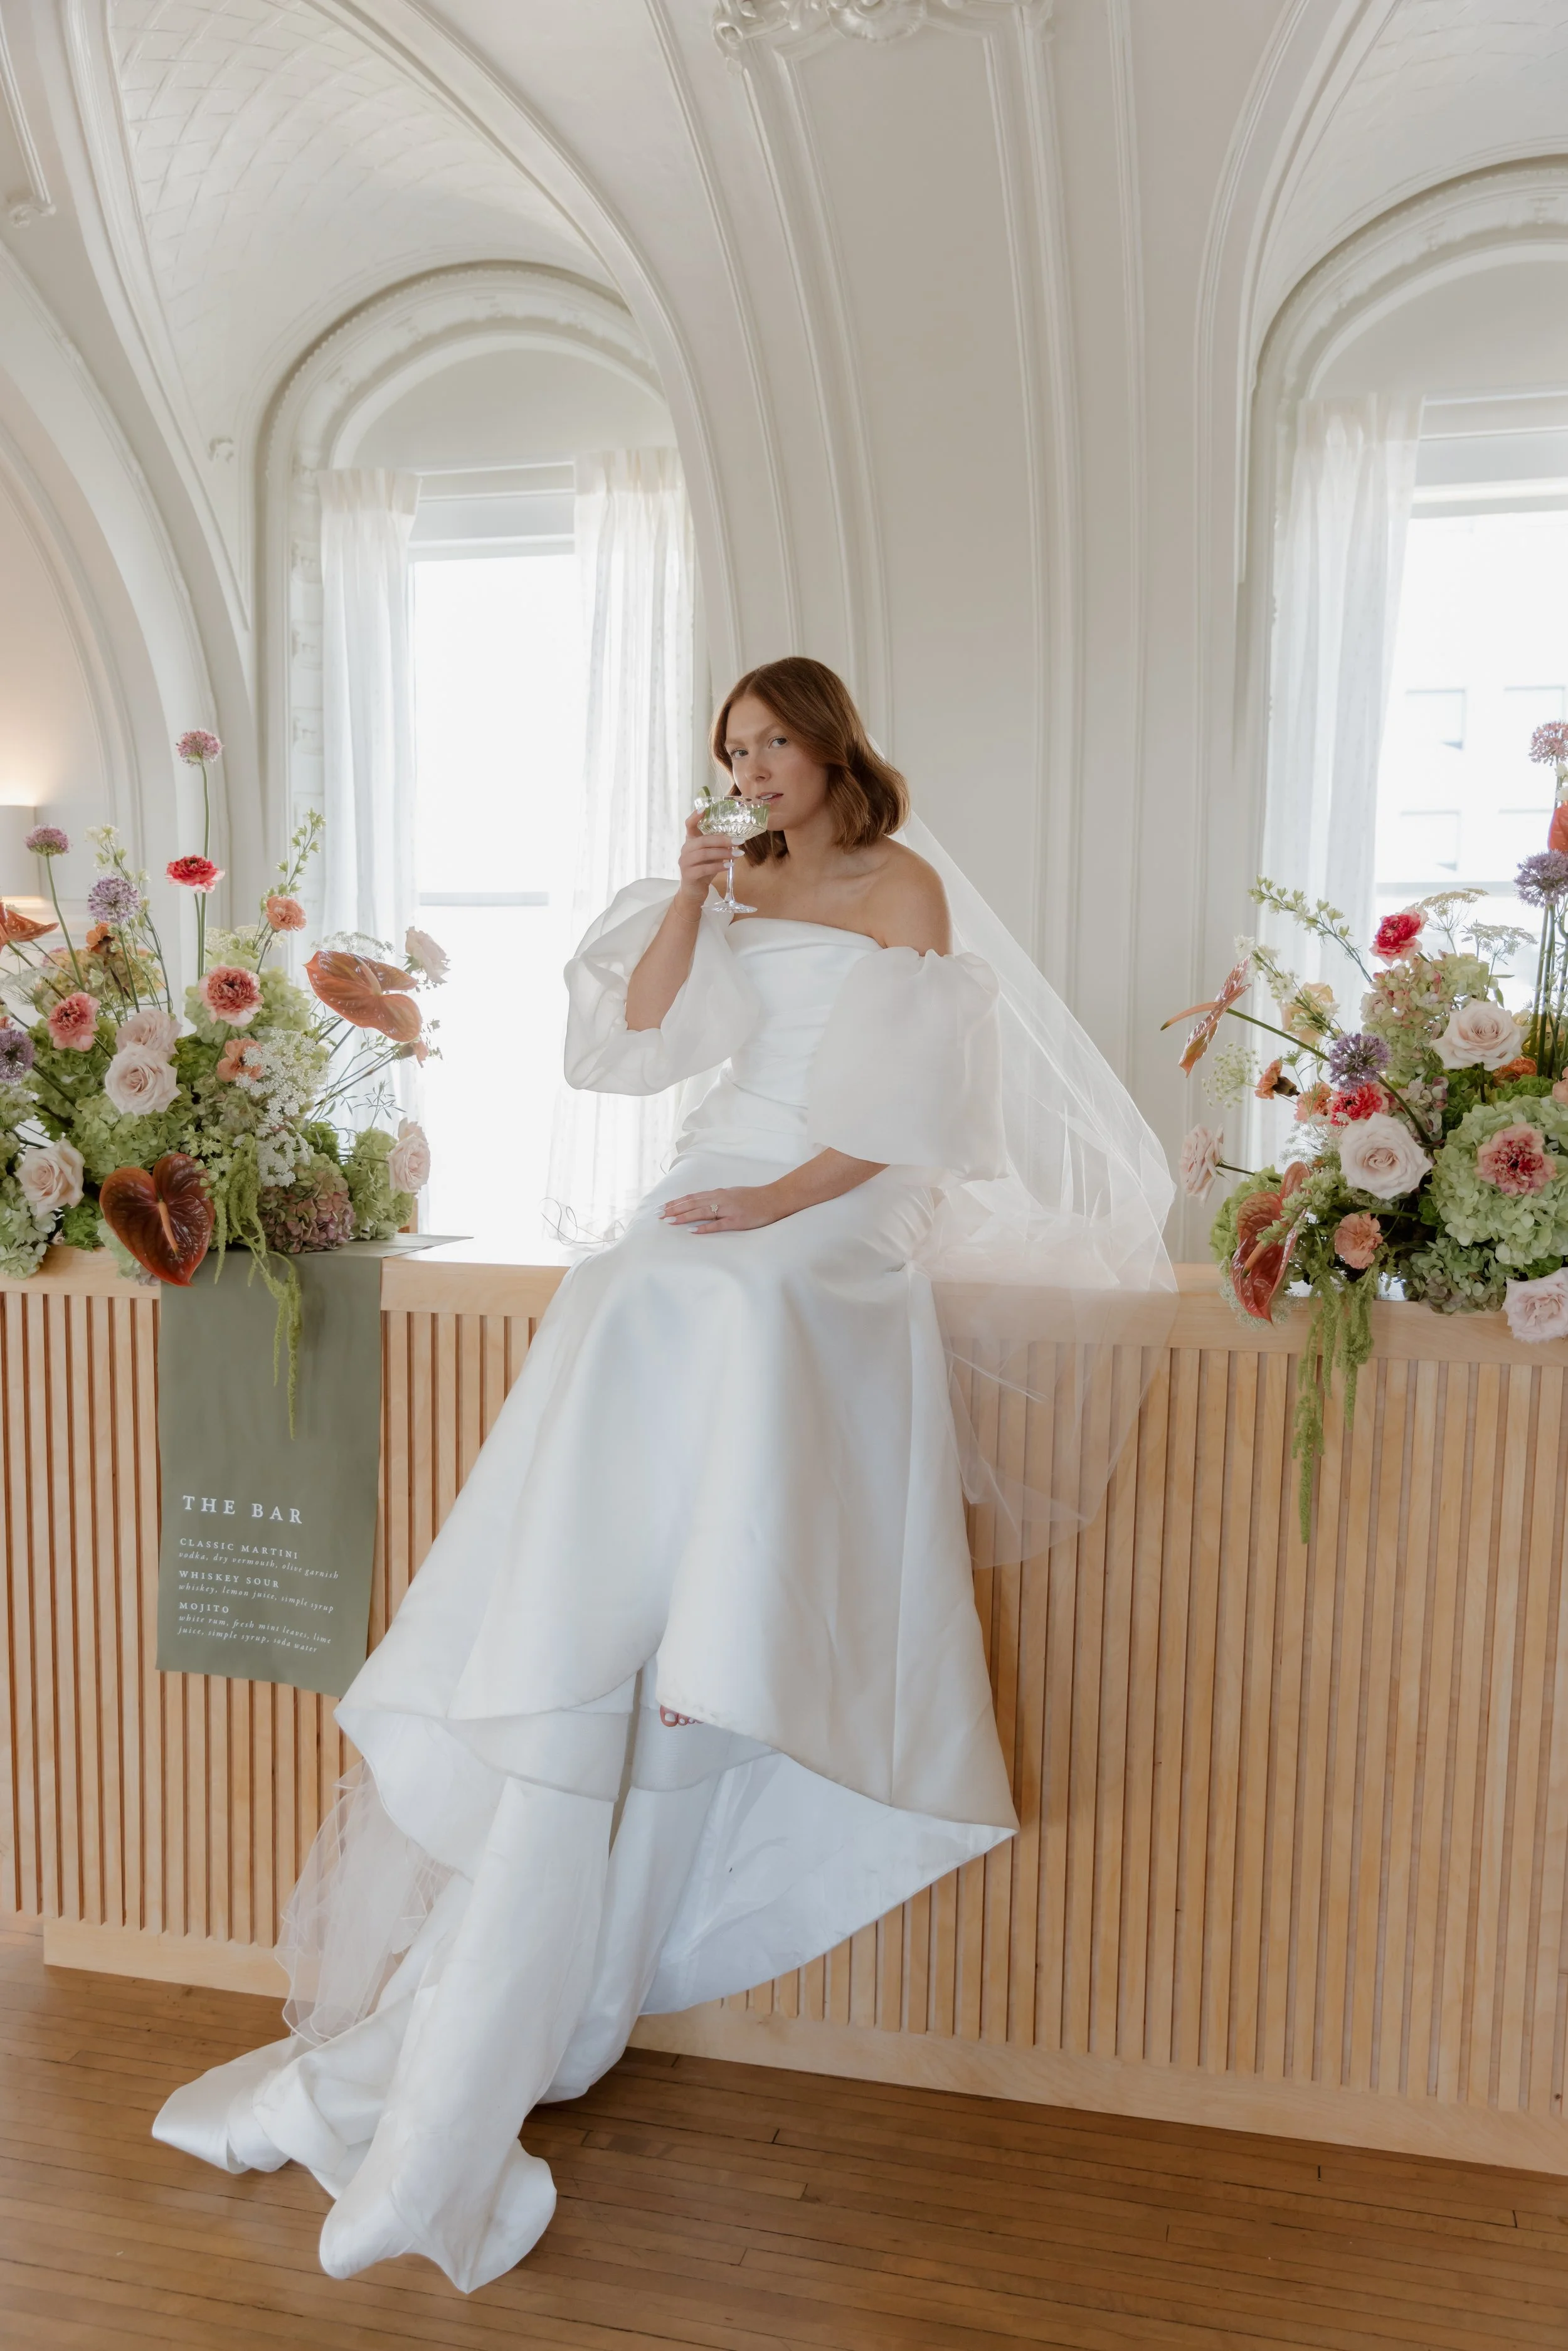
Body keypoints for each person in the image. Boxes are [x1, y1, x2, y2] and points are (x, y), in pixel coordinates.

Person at [153, 657, 1167, 2292]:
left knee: (736, 1288)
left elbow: (912, 1112)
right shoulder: (728, 874)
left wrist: (781, 1205)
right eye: (733, 752)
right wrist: (693, 900)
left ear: (830, 743)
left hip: (839, 1188)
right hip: (720, 1161)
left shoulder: (900, 882)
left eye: (773, 743)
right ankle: (601, 1608)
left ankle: (713, 1617)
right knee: (634, 1280)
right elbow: (630, 1046)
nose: (753, 771)